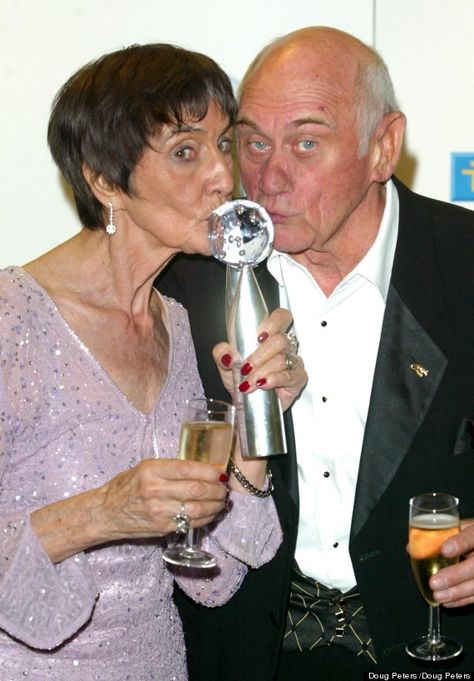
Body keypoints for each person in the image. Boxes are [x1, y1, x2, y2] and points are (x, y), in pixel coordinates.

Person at [157, 26, 474, 679]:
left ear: (382, 147)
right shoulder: (194, 282)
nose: (270, 177)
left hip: (440, 648)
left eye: (306, 143)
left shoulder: (463, 262)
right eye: (253, 143)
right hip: (253, 654)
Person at [0, 43, 307, 680]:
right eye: (184, 152)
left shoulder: (184, 325)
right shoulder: (11, 317)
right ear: (103, 180)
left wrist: (255, 427)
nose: (224, 177)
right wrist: (103, 511)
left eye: (224, 145)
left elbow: (213, 580)